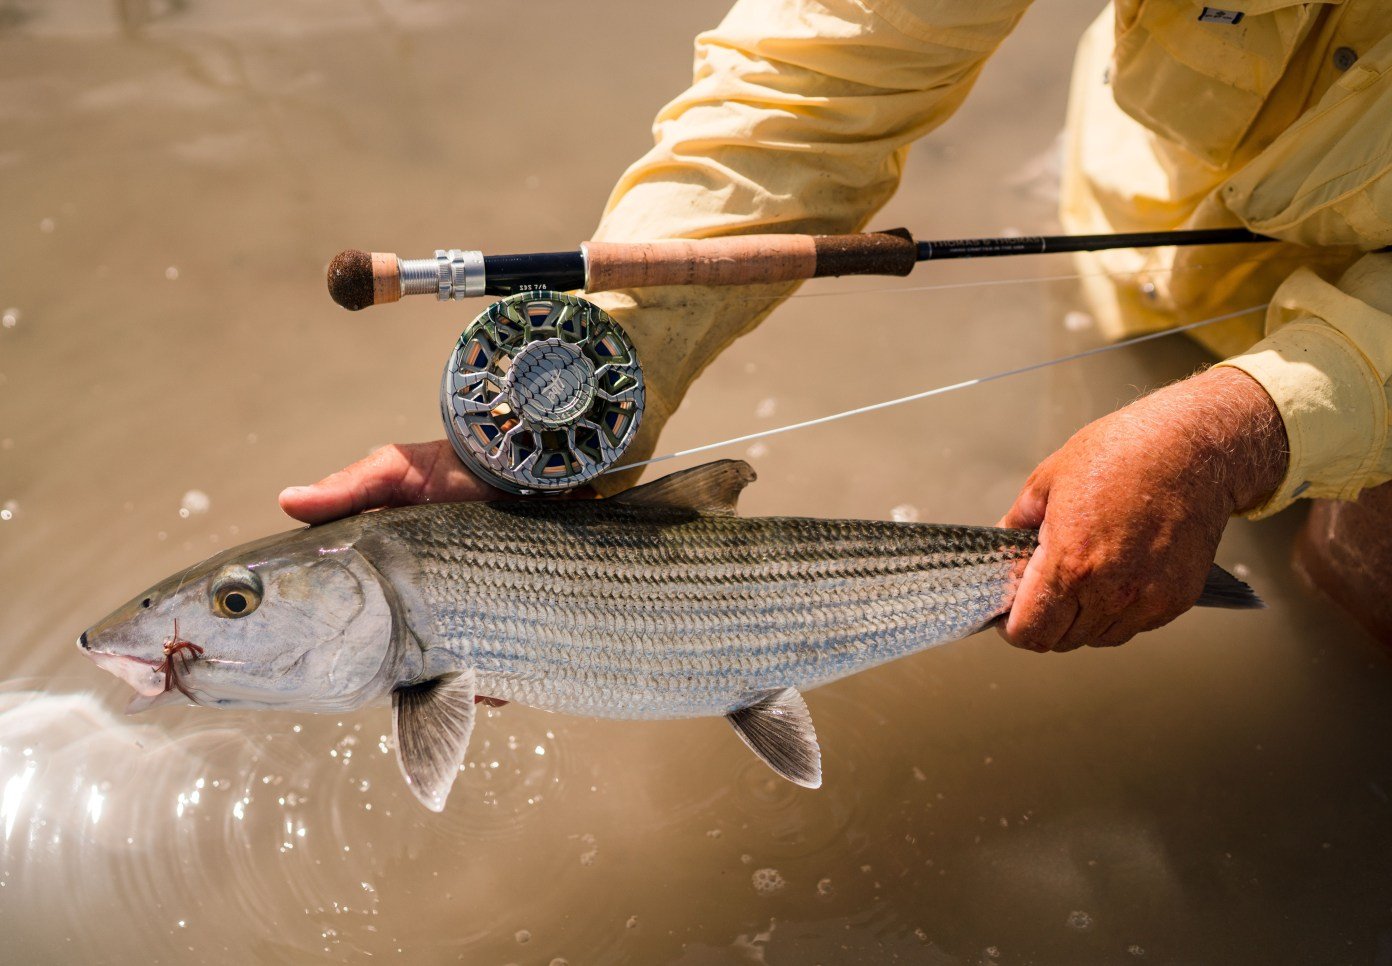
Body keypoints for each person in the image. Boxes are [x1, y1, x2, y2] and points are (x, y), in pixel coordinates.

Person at [280, 0, 1392, 647]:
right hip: (1151, 226)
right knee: (1119, 501)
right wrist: (570, 386)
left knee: (1358, 602)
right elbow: (817, 77)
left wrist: (1234, 429)